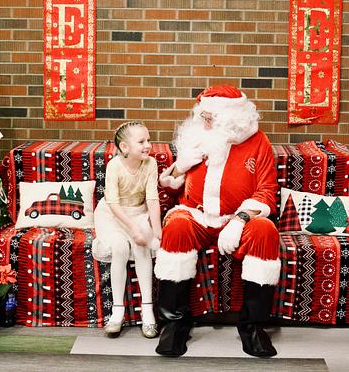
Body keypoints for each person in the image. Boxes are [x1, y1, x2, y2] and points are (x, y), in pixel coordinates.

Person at [155, 85, 280, 358]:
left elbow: (267, 192)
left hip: (238, 218)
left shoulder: (258, 142)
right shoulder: (196, 136)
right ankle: (175, 324)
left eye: (210, 116)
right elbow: (170, 190)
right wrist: (179, 166)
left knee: (265, 231)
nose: (204, 120)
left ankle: (252, 327)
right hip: (195, 214)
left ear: (232, 117)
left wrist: (240, 220)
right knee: (176, 226)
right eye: (203, 115)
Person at [92, 121, 162, 338]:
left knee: (142, 248)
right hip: (113, 215)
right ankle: (117, 312)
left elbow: (152, 199)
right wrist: (134, 230)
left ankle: (147, 311)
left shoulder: (150, 164)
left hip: (138, 212)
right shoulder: (114, 166)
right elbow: (113, 204)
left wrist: (157, 232)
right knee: (120, 247)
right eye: (141, 141)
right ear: (124, 147)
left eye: (149, 140)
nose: (148, 145)